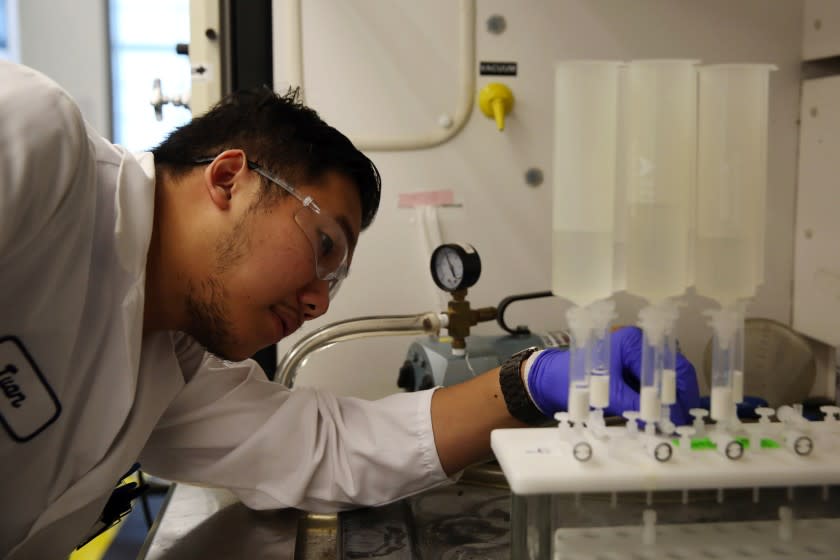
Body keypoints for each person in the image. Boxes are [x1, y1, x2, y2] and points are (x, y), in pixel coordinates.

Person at [0, 60, 700, 559]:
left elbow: (327, 447)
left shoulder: (178, 360)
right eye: (323, 244)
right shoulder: (41, 147)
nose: (314, 301)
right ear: (227, 179)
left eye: (334, 281)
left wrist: (533, 381)